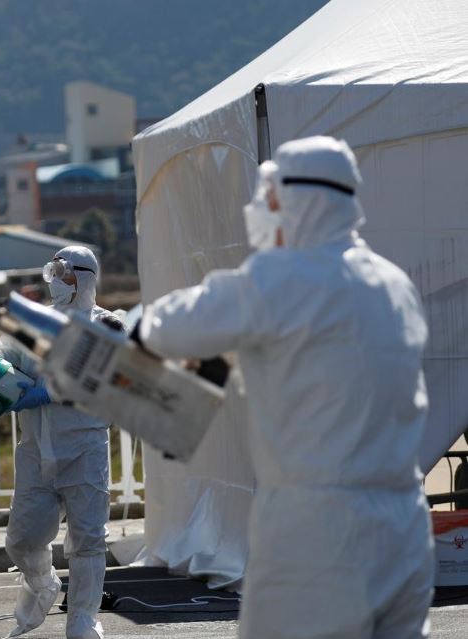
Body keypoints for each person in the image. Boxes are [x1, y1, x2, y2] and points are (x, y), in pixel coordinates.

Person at [134, 136, 434, 638]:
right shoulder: (393, 284)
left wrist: (132, 324)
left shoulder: (280, 278)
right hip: (404, 521)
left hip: (317, 528)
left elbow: (171, 328)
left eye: (268, 196)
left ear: (291, 199)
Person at [0, 246, 123, 639]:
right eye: (52, 271)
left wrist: (48, 391)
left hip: (84, 445)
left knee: (88, 539)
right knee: (22, 539)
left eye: (64, 272)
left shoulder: (108, 325)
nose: (55, 279)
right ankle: (42, 581)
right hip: (35, 447)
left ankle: (84, 619)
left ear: (84, 277)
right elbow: (6, 365)